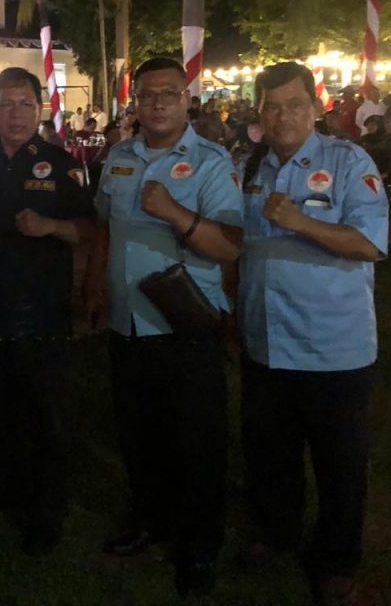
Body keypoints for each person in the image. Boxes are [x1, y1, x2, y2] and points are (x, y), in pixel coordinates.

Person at [84, 57, 243, 597]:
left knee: (196, 445)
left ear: (187, 100)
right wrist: (93, 286)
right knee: (138, 436)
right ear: (134, 103)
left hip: (184, 327)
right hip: (128, 323)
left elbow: (229, 246)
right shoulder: (119, 157)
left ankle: (199, 548)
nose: (156, 103)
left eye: (168, 93)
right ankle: (150, 522)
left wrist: (175, 213)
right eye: (147, 94)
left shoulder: (211, 163)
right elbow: (105, 228)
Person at [237, 62, 387, 606]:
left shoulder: (348, 162)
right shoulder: (250, 166)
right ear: (259, 112)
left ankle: (337, 559)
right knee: (270, 454)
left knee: (339, 465)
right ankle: (277, 531)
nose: (283, 116)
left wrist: (300, 221)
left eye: (294, 104)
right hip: (265, 341)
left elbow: (369, 244)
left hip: (332, 347)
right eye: (272, 106)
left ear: (316, 107)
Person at [0, 67, 96, 556]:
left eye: (26, 104)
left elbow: (89, 230)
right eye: (7, 104)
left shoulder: (62, 164)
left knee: (45, 415)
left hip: (43, 310)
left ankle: (46, 512)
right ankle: (5, 485)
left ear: (39, 109)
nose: (17, 113)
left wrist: (51, 226)